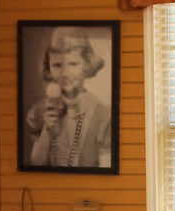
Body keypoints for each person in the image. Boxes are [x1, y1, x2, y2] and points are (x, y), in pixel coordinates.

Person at [25, 27, 112, 168]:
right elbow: (36, 162)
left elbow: (106, 165)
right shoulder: (40, 110)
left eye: (73, 64)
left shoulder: (102, 113)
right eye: (57, 65)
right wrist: (47, 128)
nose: (65, 73)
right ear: (49, 68)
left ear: (86, 64)